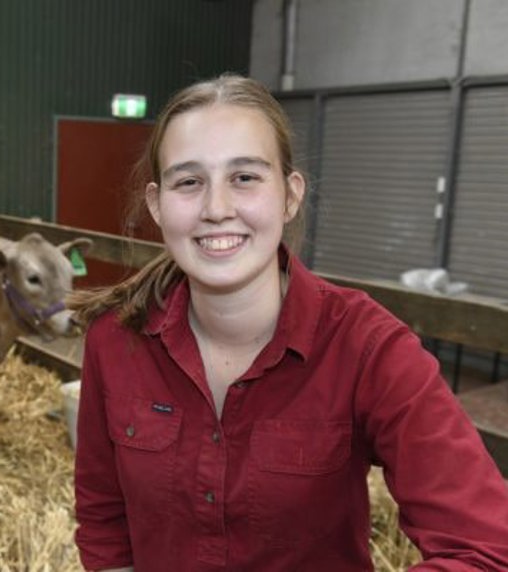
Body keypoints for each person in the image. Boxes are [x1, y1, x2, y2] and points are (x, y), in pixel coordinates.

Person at [68, 73, 508, 571]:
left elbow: (487, 549)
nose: (216, 209)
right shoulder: (115, 340)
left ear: (290, 194)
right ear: (157, 204)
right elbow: (105, 522)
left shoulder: (369, 348)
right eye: (189, 182)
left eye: (246, 177)